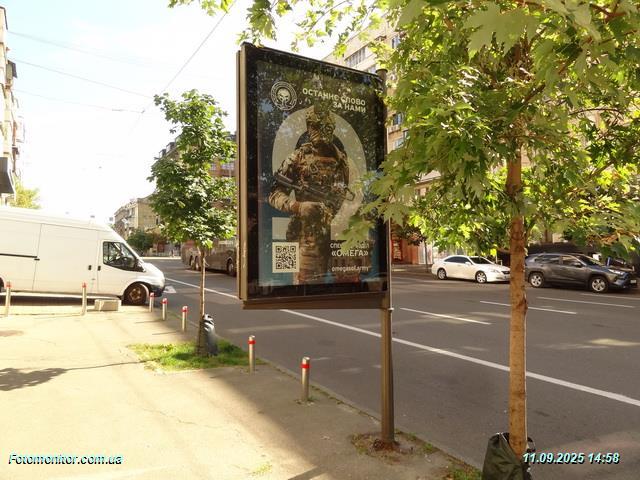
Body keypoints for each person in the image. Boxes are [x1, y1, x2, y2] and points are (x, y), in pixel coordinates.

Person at [269, 105, 350, 284]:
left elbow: (349, 196)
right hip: (307, 241)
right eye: (314, 126)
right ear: (308, 127)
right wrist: (298, 206)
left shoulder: (342, 161)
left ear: (332, 128)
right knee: (305, 288)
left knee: (342, 291)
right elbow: (274, 194)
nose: (319, 131)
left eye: (324, 126)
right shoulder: (297, 158)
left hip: (337, 239)